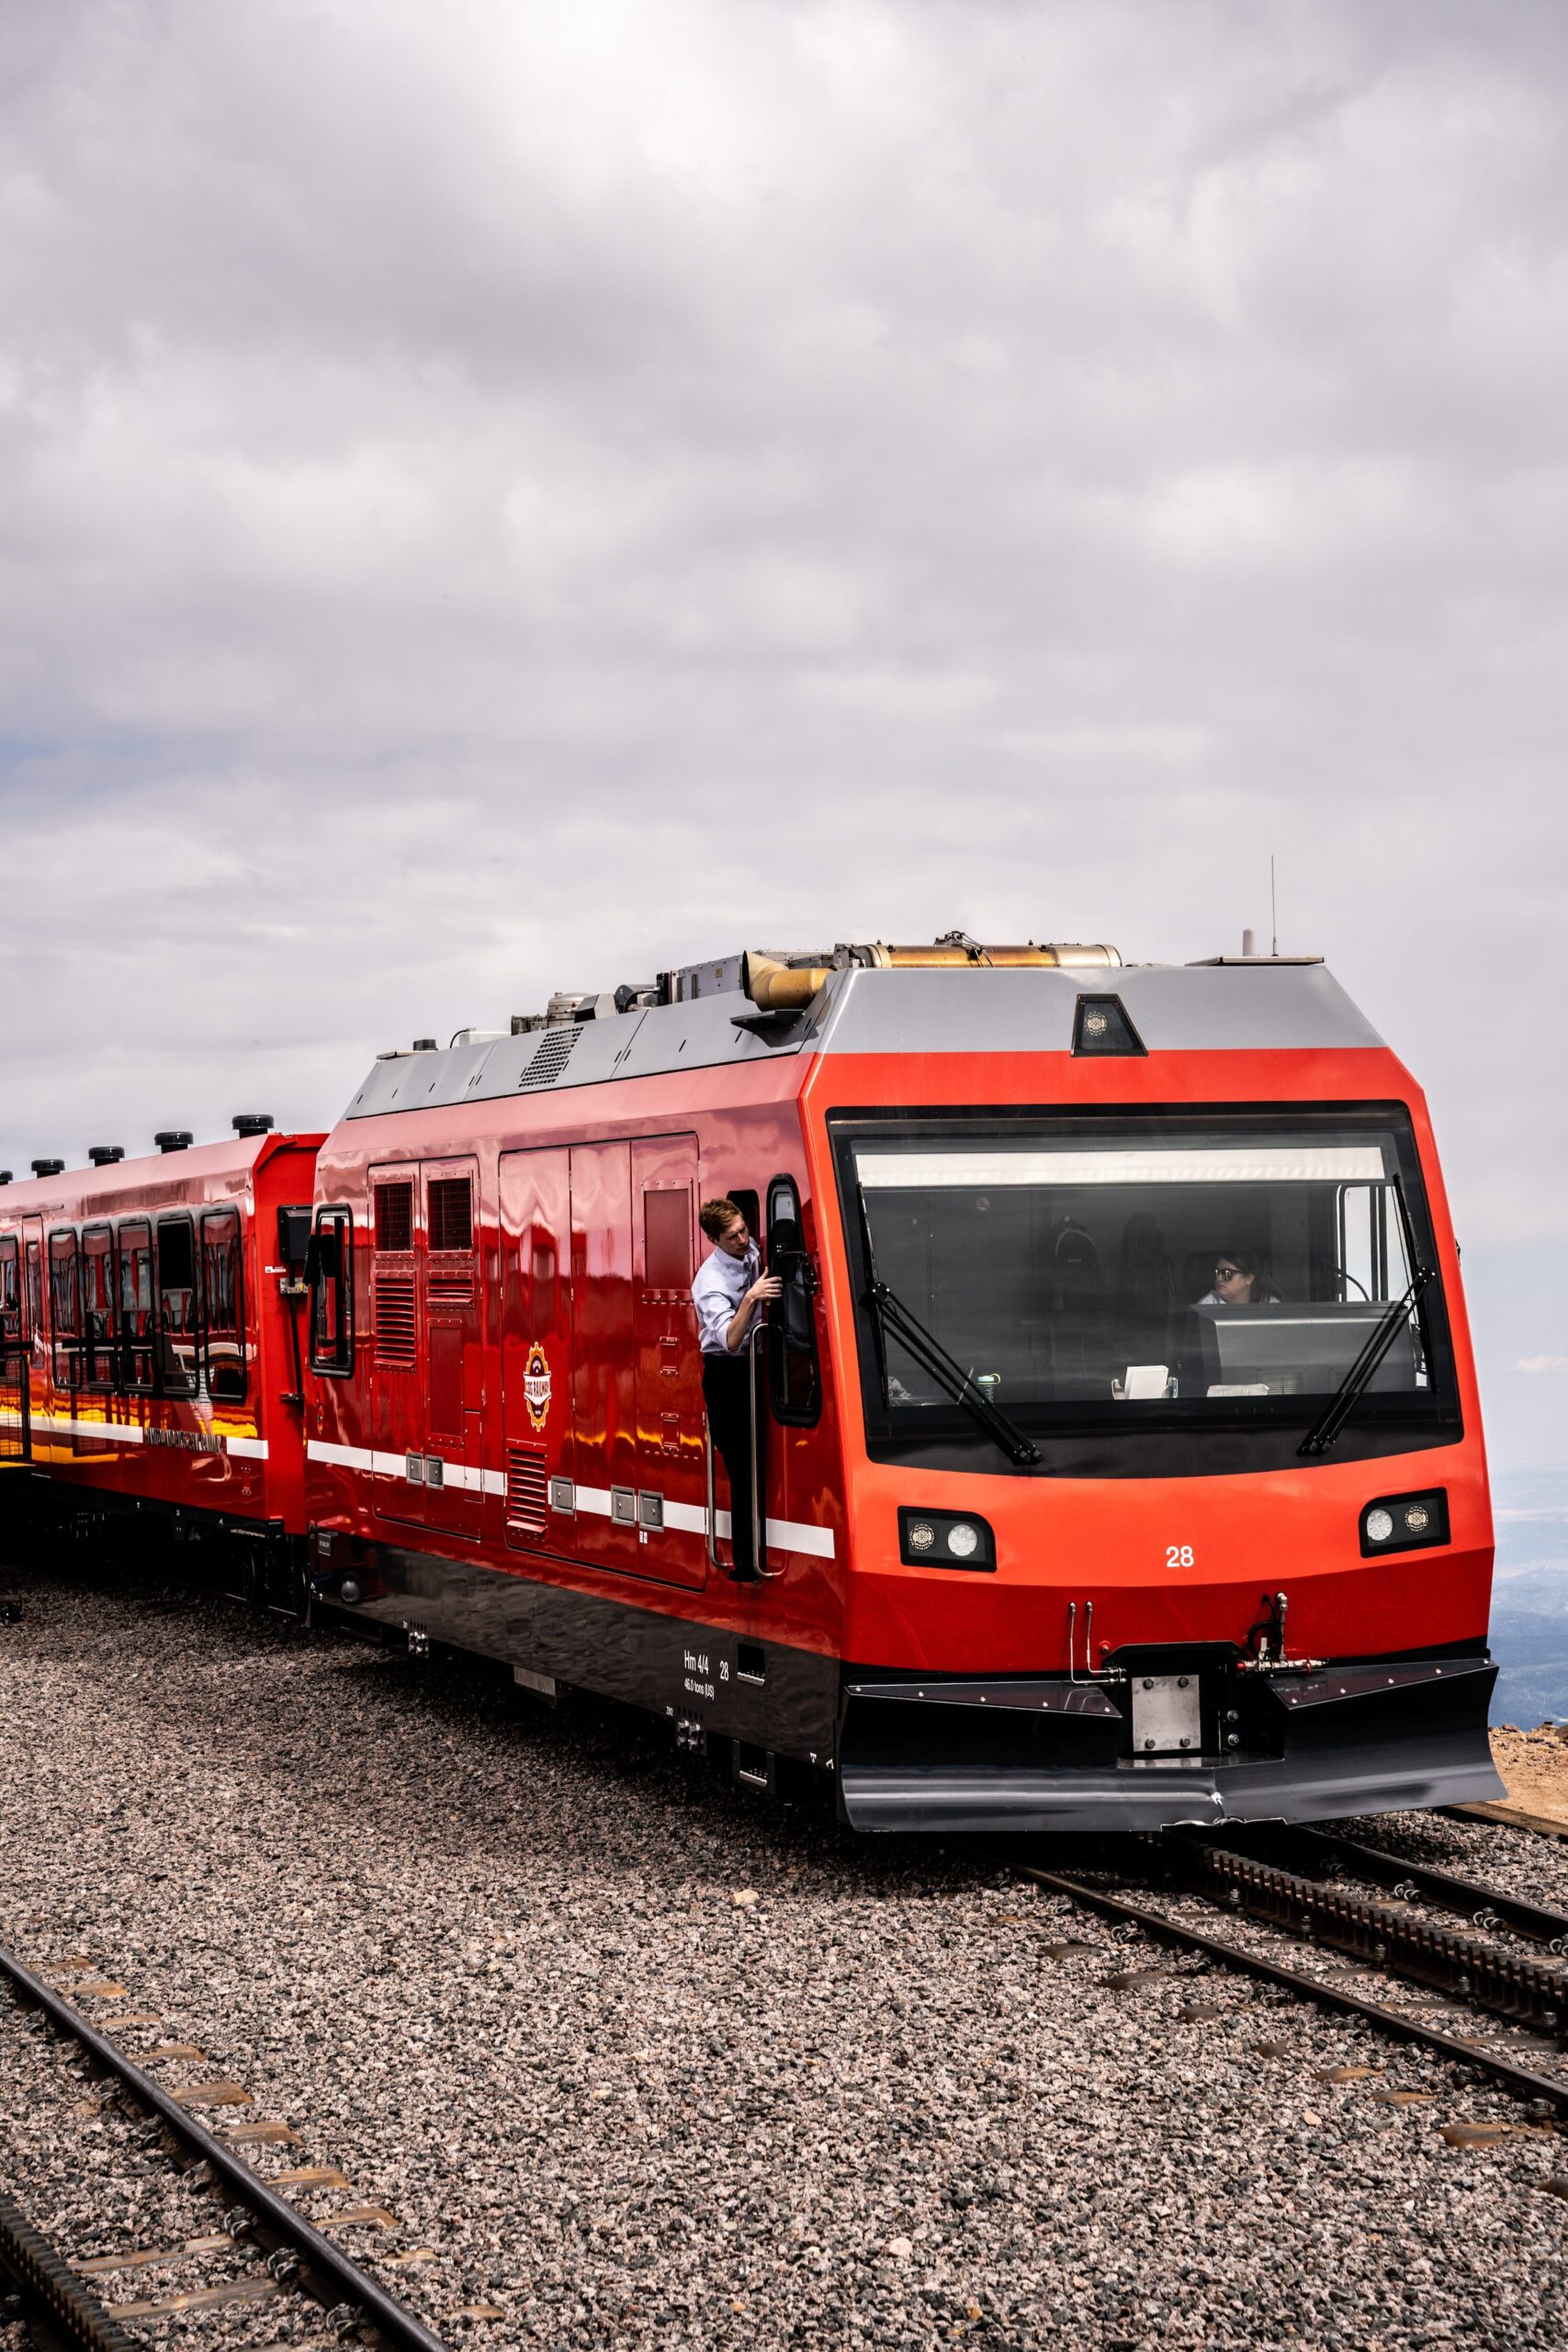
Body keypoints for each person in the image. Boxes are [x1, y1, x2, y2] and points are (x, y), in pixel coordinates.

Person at [692, 1198, 781, 1581]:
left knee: (764, 1460)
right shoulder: (709, 1282)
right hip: (727, 1374)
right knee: (743, 1468)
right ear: (714, 1240)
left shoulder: (750, 1249)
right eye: (733, 1237)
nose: (744, 1239)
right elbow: (728, 1338)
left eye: (745, 1230)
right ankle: (746, 1564)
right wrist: (750, 1298)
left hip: (758, 1366)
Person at [1194, 1247, 1282, 1307]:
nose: (1219, 1278)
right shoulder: (1208, 1305)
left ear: (1249, 1279)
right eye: (1217, 1272)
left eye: (1227, 1273)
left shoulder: (1271, 1304)